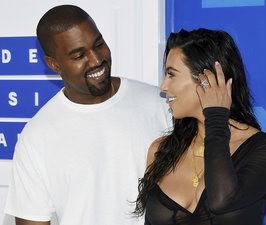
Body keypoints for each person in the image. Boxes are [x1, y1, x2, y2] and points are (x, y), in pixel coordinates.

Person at [4, 5, 171, 225]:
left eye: (99, 44)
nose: (96, 60)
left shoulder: (161, 105)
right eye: (79, 55)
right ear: (54, 65)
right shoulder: (37, 136)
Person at [134, 28, 266, 225]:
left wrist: (216, 116)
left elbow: (221, 200)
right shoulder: (161, 150)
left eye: (171, 75)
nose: (164, 87)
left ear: (207, 80)